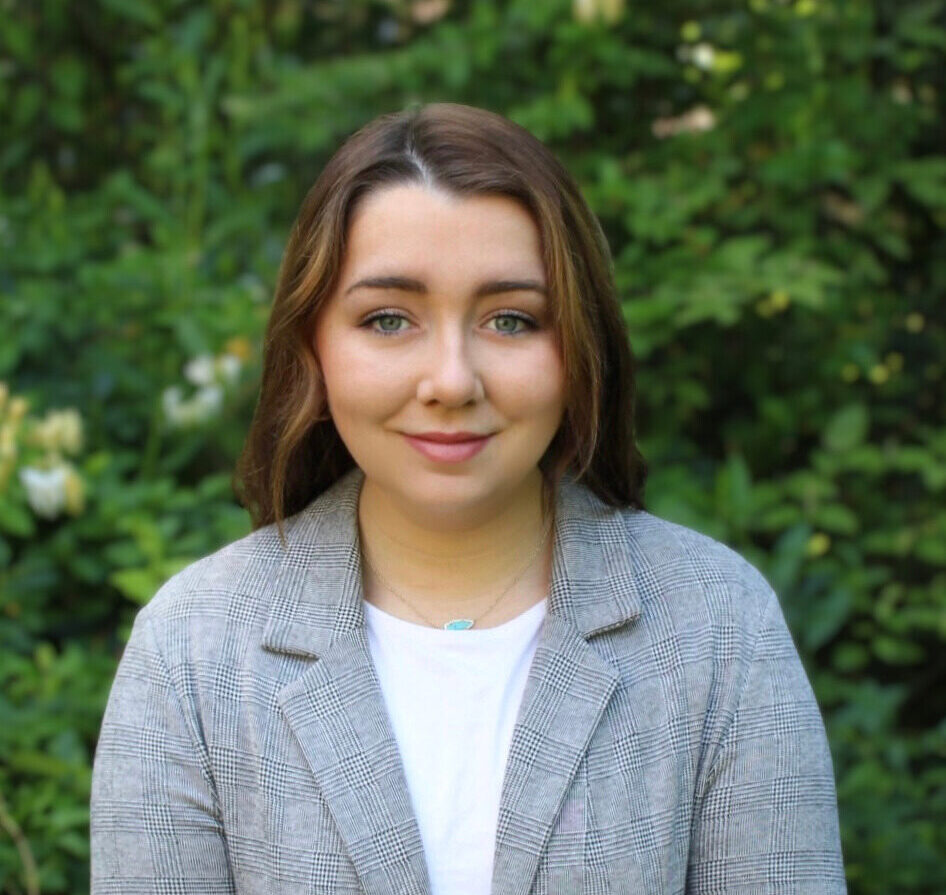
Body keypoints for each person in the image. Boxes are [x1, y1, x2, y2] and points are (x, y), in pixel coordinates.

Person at [90, 102, 847, 894]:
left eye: (511, 320)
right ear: (313, 344)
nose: (451, 380)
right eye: (388, 319)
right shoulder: (192, 652)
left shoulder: (718, 626)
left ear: (578, 346)